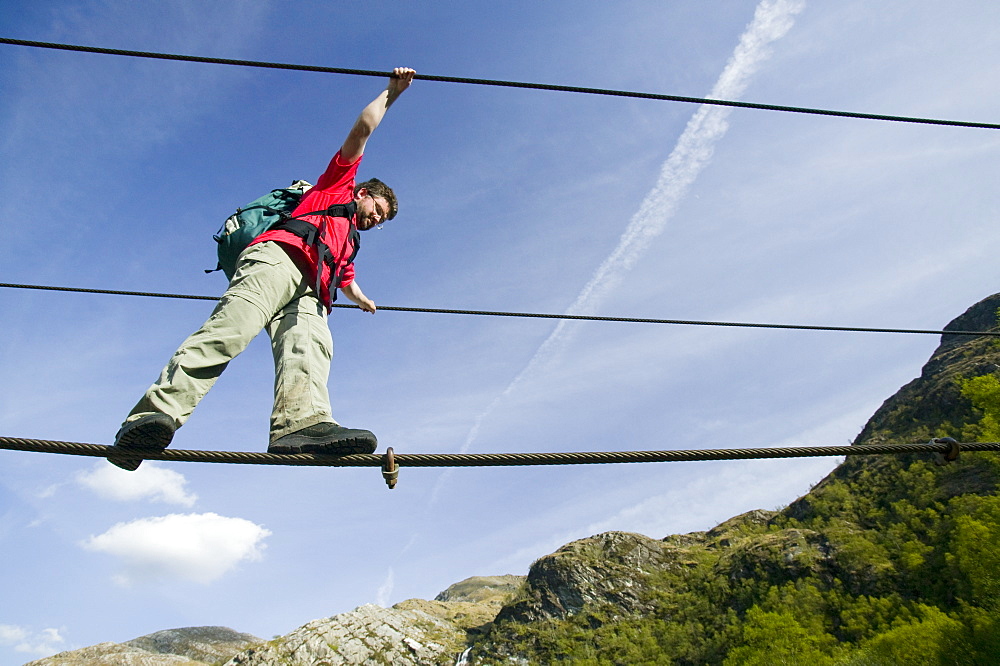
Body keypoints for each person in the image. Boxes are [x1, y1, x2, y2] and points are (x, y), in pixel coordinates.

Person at [109, 67, 416, 471]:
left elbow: (346, 279)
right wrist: (391, 94)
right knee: (229, 331)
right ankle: (150, 418)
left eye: (381, 221)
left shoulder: (348, 241)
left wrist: (362, 299)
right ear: (362, 193)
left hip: (312, 294)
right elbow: (362, 129)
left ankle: (299, 424)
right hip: (278, 259)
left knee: (310, 353)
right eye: (376, 210)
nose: (375, 220)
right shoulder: (335, 188)